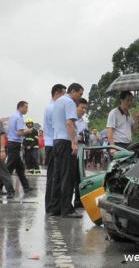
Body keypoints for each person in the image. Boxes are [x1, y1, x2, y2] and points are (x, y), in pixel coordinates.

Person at [51, 83, 84, 218]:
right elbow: (69, 123)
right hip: (65, 141)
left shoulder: (57, 101)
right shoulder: (69, 102)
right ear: (73, 91)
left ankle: (56, 207)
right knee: (67, 177)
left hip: (57, 140)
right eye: (80, 94)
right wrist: (73, 142)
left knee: (57, 176)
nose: (80, 97)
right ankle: (67, 209)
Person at [0, 101, 33, 193]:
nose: (27, 110)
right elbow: (20, 132)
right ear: (21, 107)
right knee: (8, 168)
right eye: (26, 107)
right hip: (15, 144)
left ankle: (26, 187)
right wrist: (29, 130)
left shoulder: (13, 117)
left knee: (20, 168)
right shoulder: (19, 118)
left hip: (12, 144)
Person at [44, 84, 67, 214]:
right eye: (63, 94)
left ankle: (51, 206)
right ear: (57, 93)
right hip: (53, 144)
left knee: (53, 177)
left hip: (52, 143)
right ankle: (52, 207)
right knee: (53, 177)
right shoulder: (54, 108)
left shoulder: (51, 106)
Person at [72, 98, 88, 208]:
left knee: (80, 178)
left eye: (85, 108)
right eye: (82, 107)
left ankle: (79, 201)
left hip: (82, 153)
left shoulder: (85, 123)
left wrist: (84, 137)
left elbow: (86, 138)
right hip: (72, 152)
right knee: (71, 178)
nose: (83, 110)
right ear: (76, 107)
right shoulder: (70, 120)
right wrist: (78, 137)